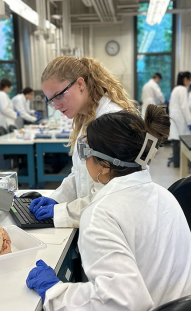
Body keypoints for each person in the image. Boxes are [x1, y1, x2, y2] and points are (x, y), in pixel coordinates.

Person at [26, 106, 191, 311]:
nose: (84, 158)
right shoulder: (165, 196)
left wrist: (56, 293)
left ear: (105, 165)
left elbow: (120, 299)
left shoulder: (100, 214)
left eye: (86, 151)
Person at [30, 56, 137, 228]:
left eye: (58, 96)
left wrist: (62, 212)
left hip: (113, 227)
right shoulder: (86, 118)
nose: (56, 106)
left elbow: (108, 194)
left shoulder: (109, 121)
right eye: (51, 101)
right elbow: (79, 174)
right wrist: (56, 199)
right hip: (93, 221)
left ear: (80, 84)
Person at [168, 71, 191, 168]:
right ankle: (189, 164)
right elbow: (184, 107)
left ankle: (177, 164)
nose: (190, 82)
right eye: (189, 80)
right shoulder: (182, 89)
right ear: (185, 79)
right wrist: (190, 121)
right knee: (187, 142)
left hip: (174, 118)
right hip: (180, 119)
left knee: (175, 141)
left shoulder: (175, 89)